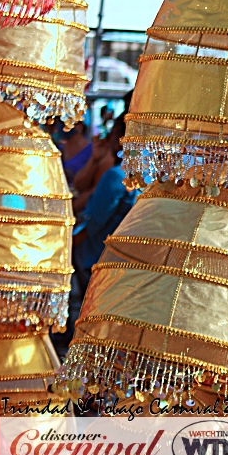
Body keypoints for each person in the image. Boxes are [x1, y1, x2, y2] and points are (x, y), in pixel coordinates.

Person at [69, 115, 137, 344]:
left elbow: (93, 222)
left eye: (112, 134)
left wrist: (66, 245)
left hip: (97, 258)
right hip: (124, 262)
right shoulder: (142, 177)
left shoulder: (116, 176)